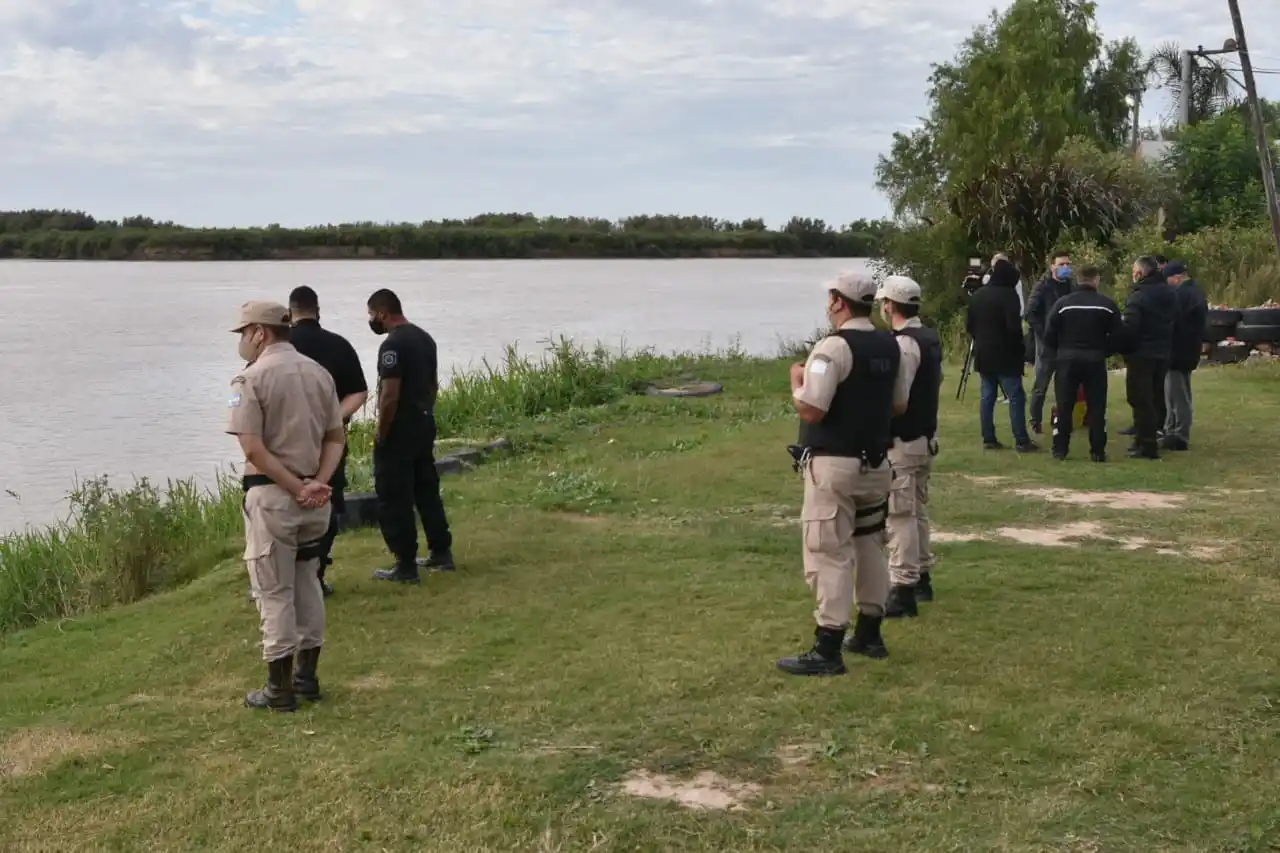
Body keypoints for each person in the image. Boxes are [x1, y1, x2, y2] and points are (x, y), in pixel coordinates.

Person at [776, 271, 902, 677]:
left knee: (828, 552)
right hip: (876, 465)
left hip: (835, 466)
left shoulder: (833, 347)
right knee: (869, 547)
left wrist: (797, 380)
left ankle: (828, 646)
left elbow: (813, 408)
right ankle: (869, 632)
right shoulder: (889, 344)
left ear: (838, 301)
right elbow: (898, 403)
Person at [226, 301, 346, 712]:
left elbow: (252, 447)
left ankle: (278, 690)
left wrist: (296, 487)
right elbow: (336, 437)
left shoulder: (251, 379)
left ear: (259, 333)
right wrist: (318, 484)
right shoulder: (319, 374)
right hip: (315, 499)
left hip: (275, 497)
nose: (242, 342)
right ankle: (307, 677)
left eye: (243, 333)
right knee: (308, 582)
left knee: (273, 591)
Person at [366, 288, 455, 584]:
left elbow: (390, 395)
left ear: (382, 312)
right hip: (424, 420)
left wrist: (382, 431)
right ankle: (441, 552)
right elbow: (433, 385)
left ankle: (405, 565)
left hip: (400, 426)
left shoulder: (393, 345)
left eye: (370, 314)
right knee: (425, 488)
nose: (370, 320)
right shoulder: (424, 338)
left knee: (394, 494)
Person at [287, 286, 369, 597]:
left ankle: (285, 576)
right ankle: (317, 574)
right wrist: (332, 420)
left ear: (291, 311)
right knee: (327, 503)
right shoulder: (340, 345)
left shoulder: (280, 347)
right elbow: (359, 392)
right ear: (317, 309)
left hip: (286, 444)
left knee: (282, 504)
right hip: (330, 444)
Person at [876, 276, 941, 619]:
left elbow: (898, 399)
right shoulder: (928, 336)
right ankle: (921, 576)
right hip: (925, 437)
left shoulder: (904, 344)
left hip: (904, 440)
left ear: (890, 305)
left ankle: (902, 589)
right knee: (916, 510)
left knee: (899, 515)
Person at [1041, 266, 1123, 462]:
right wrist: (1105, 351)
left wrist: (1060, 351)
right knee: (1096, 406)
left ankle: (1060, 449)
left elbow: (1049, 334)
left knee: (1064, 405)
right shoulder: (1107, 305)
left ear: (1077, 280)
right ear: (1096, 281)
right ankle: (1097, 451)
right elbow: (1119, 336)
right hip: (1095, 360)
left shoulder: (1063, 304)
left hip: (1067, 360)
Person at [966, 258, 1038, 452]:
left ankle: (988, 437)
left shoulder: (978, 295)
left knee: (987, 396)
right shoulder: (1009, 297)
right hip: (1006, 354)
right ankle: (1021, 440)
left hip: (983, 353)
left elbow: (969, 326)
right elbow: (1014, 329)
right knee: (1016, 396)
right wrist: (1020, 349)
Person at [1121, 256, 1179, 459]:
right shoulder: (1170, 293)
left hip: (1141, 354)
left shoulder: (1138, 296)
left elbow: (1130, 327)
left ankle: (1147, 444)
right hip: (1162, 352)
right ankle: (1146, 438)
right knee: (1154, 397)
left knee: (1139, 399)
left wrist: (1121, 345)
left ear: (1140, 273)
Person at [1024, 251, 1076, 433]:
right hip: (1047, 343)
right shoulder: (1043, 286)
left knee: (1066, 384)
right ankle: (1035, 420)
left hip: (1067, 341)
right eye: (1061, 264)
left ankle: (1062, 419)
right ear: (1052, 266)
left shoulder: (1072, 285)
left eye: (1067, 264)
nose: (1065, 268)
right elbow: (1030, 313)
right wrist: (1044, 333)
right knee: (1041, 383)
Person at [1162, 260, 1207, 451]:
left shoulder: (1182, 295)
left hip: (1177, 351)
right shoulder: (1196, 292)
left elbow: (1172, 322)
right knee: (1178, 392)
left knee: (1177, 395)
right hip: (1189, 350)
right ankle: (1172, 430)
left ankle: (1179, 434)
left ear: (1177, 277)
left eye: (1169, 279)